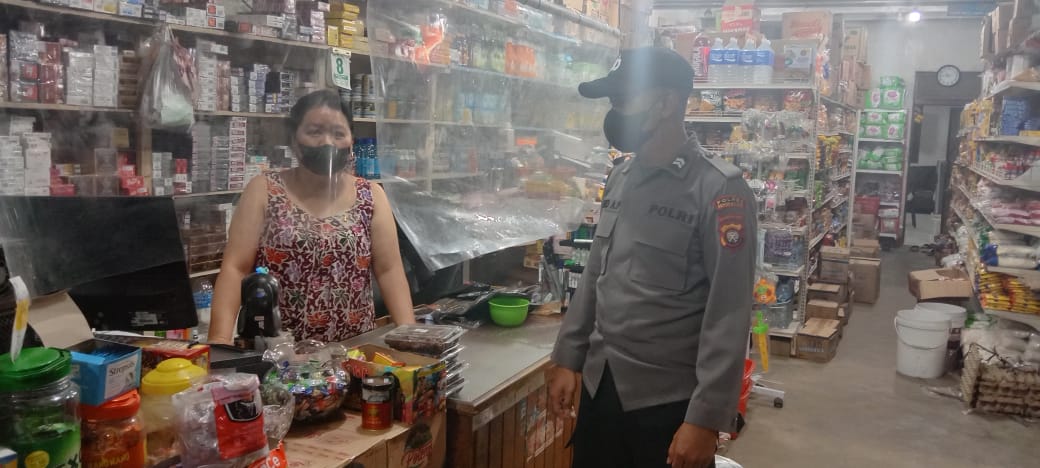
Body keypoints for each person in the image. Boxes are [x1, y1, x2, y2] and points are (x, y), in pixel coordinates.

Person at [547, 47, 756, 468]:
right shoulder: (621, 177)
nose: (615, 113)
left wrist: (706, 418)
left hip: (668, 402)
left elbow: (729, 313)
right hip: (601, 387)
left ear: (665, 103)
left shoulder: (719, 190)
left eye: (624, 100)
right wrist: (568, 355)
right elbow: (596, 273)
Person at [208, 89, 415, 344]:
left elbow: (389, 271)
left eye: (338, 134)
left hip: (353, 351)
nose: (327, 142)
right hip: (277, 353)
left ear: (351, 141)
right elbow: (235, 269)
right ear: (294, 139)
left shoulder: (371, 196)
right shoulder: (264, 190)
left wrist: (411, 339)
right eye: (315, 131)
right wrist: (219, 342)